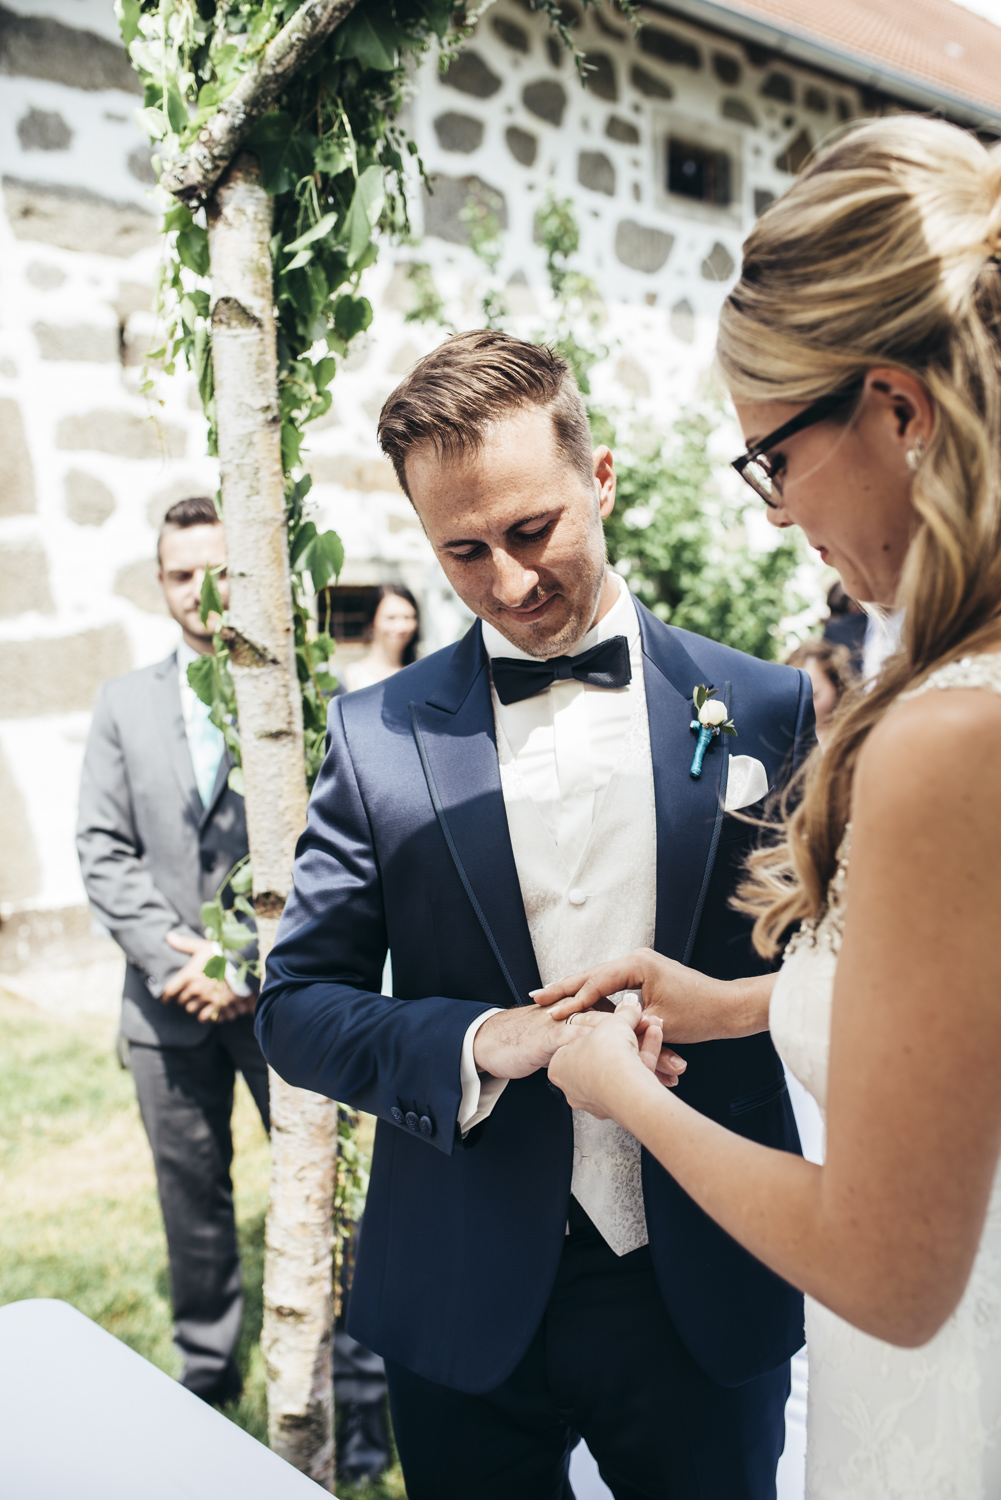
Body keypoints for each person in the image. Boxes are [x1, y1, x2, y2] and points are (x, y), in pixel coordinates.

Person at [255, 329, 816, 1500]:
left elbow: (839, 975)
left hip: (700, 1280)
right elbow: (296, 1008)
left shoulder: (762, 709)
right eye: (462, 552)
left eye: (531, 531)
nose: (508, 583)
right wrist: (475, 1040)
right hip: (461, 1290)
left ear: (598, 479)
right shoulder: (375, 737)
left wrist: (722, 1015)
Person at [539, 116, 1001, 1497]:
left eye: (773, 459)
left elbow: (889, 1270)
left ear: (897, 409)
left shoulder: (948, 739)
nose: (775, 514)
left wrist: (629, 1094)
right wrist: (738, 1004)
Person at [77, 496, 268, 1407]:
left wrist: (246, 960)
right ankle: (207, 1376)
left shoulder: (291, 696)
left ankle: (353, 1361)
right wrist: (178, 960)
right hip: (165, 1004)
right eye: (183, 574)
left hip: (278, 998)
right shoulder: (121, 704)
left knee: (322, 1192)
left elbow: (326, 852)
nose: (202, 591)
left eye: (219, 570)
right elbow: (101, 848)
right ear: (161, 585)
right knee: (191, 1199)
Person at [341, 584, 420, 691]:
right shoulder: (352, 676)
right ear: (372, 622)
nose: (401, 627)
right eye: (391, 618)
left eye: (408, 617)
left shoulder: (419, 673)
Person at [783, 639, 854, 743]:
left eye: (813, 696)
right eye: (794, 696)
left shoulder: (852, 736)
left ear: (837, 687)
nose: (801, 706)